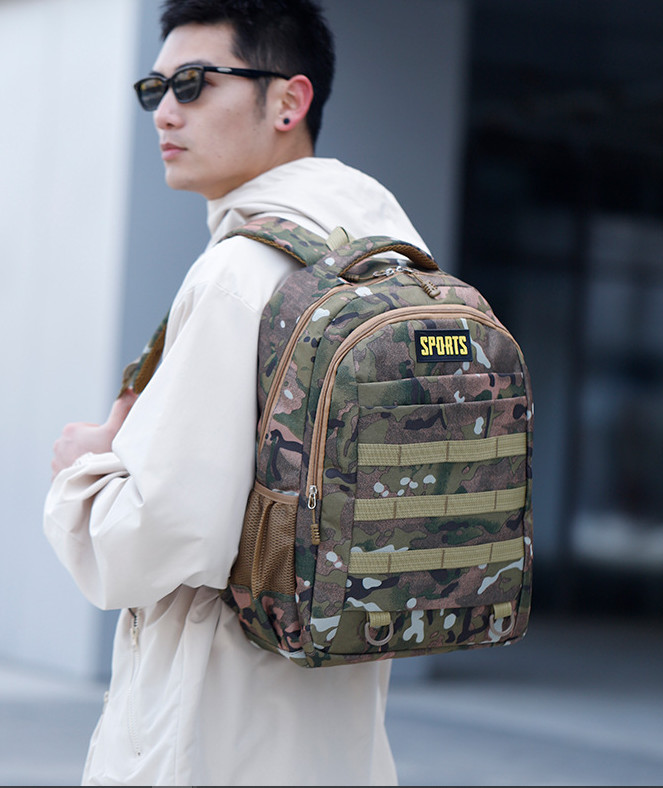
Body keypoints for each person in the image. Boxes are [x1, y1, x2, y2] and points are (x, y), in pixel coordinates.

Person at [44, 1, 430, 784]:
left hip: (209, 735)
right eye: (154, 90)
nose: (166, 113)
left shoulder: (238, 274)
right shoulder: (394, 263)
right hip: (339, 736)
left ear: (288, 100)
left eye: (193, 83)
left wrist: (85, 469)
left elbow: (147, 544)